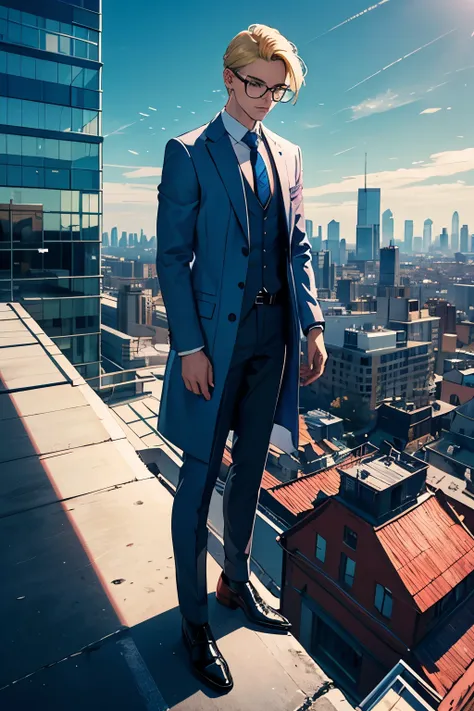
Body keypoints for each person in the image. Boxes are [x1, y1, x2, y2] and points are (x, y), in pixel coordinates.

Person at [156, 23, 327, 693]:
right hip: (213, 347)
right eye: (255, 84)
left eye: (276, 90)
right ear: (229, 78)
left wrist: (310, 323)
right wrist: (190, 346)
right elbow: (172, 257)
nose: (263, 98)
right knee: (196, 484)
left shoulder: (288, 154)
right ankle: (193, 624)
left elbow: (300, 248)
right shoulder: (189, 152)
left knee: (250, 472)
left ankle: (234, 584)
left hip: (272, 339)